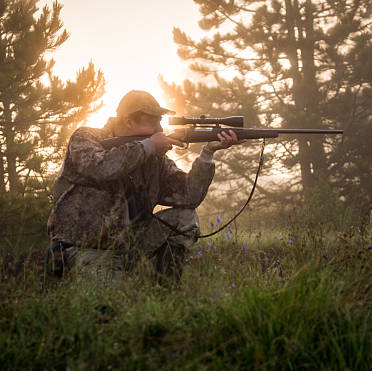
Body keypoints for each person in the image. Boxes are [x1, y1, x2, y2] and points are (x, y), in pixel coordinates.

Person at [46, 90, 243, 284]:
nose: (160, 128)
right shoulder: (86, 138)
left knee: (185, 219)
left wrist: (207, 154)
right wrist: (148, 146)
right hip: (85, 248)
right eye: (153, 121)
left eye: (160, 121)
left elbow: (188, 196)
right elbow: (102, 168)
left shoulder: (154, 157)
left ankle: (165, 291)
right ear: (128, 121)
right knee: (111, 308)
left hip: (130, 243)